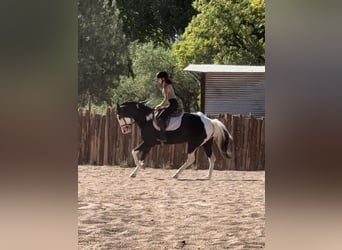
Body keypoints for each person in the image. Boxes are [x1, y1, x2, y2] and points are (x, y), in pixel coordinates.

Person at [155, 71, 178, 144]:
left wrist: (159, 105)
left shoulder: (166, 85)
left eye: (158, 79)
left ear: (163, 79)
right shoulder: (166, 84)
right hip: (171, 104)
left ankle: (163, 137)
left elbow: (166, 99)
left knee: (160, 118)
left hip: (172, 104)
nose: (157, 80)